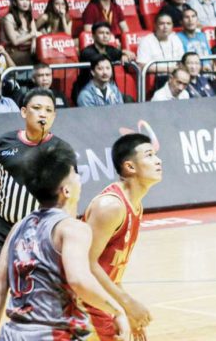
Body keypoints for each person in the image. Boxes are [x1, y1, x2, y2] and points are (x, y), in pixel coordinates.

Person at [0, 142, 130, 341]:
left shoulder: (18, 227)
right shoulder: (72, 228)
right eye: (75, 175)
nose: (80, 179)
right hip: (53, 335)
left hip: (13, 334)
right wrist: (117, 310)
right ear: (66, 191)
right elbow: (79, 281)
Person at [0, 88, 70, 340]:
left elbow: (69, 197)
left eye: (49, 110)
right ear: (24, 112)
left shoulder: (60, 150)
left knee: (41, 293)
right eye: (37, 108)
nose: (43, 114)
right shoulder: (5, 143)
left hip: (39, 235)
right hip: (3, 228)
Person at [84, 133, 162, 340]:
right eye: (149, 155)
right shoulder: (110, 206)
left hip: (101, 302)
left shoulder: (135, 205)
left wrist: (125, 309)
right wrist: (126, 304)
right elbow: (86, 265)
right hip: (80, 306)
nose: (158, 160)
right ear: (130, 167)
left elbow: (111, 272)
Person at [1, 0, 38, 66]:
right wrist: (32, 35)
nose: (25, 2)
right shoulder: (9, 18)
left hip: (28, 50)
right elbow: (15, 42)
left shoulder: (29, 16)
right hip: (13, 53)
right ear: (14, 3)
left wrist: (34, 41)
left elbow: (34, 34)